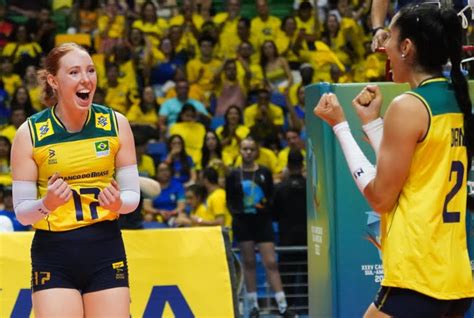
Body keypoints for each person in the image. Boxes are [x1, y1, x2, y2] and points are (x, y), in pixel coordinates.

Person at [313, 5, 474, 317]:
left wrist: (340, 126)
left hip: (418, 276)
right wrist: (373, 125)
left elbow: (380, 197)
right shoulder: (455, 99)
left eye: (390, 38)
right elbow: (414, 170)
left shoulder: (409, 105)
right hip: (454, 279)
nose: (383, 45)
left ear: (407, 48)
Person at [11, 43, 140, 317]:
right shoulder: (30, 133)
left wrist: (118, 203)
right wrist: (48, 203)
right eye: (74, 72)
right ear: (53, 81)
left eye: (91, 70)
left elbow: (132, 198)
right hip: (53, 252)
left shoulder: (116, 124)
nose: (86, 79)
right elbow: (22, 214)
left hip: (105, 247)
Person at [225, 137, 294, 317]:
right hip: (242, 223)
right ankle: (253, 306)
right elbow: (230, 201)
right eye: (244, 149)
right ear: (240, 151)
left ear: (256, 152)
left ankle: (282, 306)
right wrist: (240, 213)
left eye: (251, 149)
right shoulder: (233, 175)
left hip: (262, 222)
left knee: (271, 262)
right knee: (248, 263)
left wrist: (263, 208)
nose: (248, 152)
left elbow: (271, 197)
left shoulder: (264, 172)